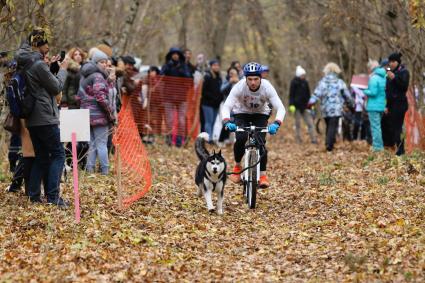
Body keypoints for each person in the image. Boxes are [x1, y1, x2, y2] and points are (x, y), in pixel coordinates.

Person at [16, 28, 69, 206]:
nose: (48, 48)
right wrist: (62, 70)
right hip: (45, 116)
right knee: (59, 154)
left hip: (33, 118)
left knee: (41, 157)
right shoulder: (38, 64)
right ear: (40, 44)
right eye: (46, 44)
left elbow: (40, 84)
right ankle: (53, 198)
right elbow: (55, 87)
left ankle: (34, 195)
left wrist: (51, 67)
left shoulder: (27, 61)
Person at [221, 62, 286, 188]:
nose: (253, 82)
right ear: (245, 78)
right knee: (240, 138)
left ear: (260, 77)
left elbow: (281, 108)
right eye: (250, 79)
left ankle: (262, 175)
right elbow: (227, 106)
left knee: (261, 143)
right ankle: (237, 166)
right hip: (241, 113)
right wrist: (227, 121)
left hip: (260, 114)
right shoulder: (239, 86)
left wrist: (276, 124)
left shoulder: (267, 87)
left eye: (256, 79)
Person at [77, 49, 114, 175]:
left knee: (92, 144)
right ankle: (105, 171)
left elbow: (79, 96)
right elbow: (100, 97)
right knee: (102, 144)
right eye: (102, 62)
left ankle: (90, 169)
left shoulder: (84, 75)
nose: (105, 64)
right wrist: (110, 112)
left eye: (106, 62)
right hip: (98, 115)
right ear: (96, 62)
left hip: (85, 114)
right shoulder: (98, 76)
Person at [308, 62, 352, 152]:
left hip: (325, 109)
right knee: (332, 126)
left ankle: (329, 142)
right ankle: (329, 145)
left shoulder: (322, 82)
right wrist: (352, 104)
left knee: (329, 125)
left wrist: (310, 103)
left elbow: (316, 94)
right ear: (336, 71)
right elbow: (347, 95)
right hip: (336, 109)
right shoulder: (339, 82)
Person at [160, 47, 192, 147]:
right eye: (173, 54)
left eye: (177, 54)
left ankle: (179, 140)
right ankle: (169, 139)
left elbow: (189, 77)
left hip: (182, 97)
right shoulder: (166, 65)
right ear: (170, 55)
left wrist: (180, 70)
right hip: (168, 96)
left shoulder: (184, 66)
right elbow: (160, 76)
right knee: (169, 120)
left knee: (182, 120)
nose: (175, 55)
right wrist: (168, 67)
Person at [385, 52, 410, 155]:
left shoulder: (404, 72)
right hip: (391, 104)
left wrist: (394, 78)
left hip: (400, 104)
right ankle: (398, 147)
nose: (391, 64)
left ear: (398, 62)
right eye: (389, 62)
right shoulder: (390, 73)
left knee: (398, 127)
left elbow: (404, 86)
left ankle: (401, 149)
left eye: (393, 61)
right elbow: (388, 90)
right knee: (393, 127)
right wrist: (387, 105)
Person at [289, 65, 317, 144]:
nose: (303, 76)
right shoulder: (294, 82)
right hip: (296, 107)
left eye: (304, 75)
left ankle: (313, 139)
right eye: (302, 75)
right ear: (298, 75)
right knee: (297, 124)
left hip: (305, 106)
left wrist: (311, 104)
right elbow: (291, 94)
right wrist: (291, 104)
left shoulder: (305, 82)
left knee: (310, 123)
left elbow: (308, 94)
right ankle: (298, 140)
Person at [363, 59, 386, 152]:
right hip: (381, 105)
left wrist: (364, 90)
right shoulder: (383, 77)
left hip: (373, 106)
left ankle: (377, 147)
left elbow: (373, 92)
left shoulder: (373, 78)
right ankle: (379, 146)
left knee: (375, 127)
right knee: (378, 126)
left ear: (371, 68)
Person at [201, 59, 223, 141]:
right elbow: (204, 91)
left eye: (217, 65)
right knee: (208, 121)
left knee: (213, 122)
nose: (216, 67)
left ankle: (211, 137)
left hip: (216, 104)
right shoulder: (207, 76)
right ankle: (208, 139)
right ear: (211, 66)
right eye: (214, 65)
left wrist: (219, 99)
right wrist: (213, 97)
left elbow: (221, 90)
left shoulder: (219, 78)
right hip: (207, 103)